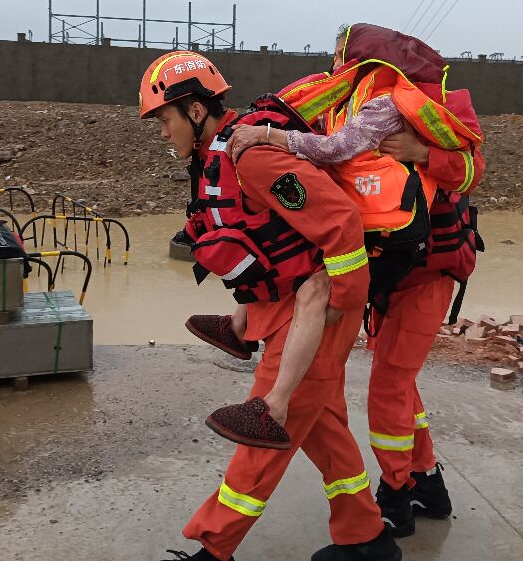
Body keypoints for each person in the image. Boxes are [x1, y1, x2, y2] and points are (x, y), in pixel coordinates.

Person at [224, 23, 487, 537]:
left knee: (388, 388)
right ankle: (427, 481)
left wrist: (421, 154)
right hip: (385, 265)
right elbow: (330, 154)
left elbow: (474, 169)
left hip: (425, 272)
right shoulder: (348, 104)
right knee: (401, 385)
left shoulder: (430, 109)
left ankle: (396, 498)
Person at [140, 50, 399, 561]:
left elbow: (341, 224)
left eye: (165, 119)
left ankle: (213, 548)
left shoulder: (254, 157)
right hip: (280, 311)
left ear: (194, 110)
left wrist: (337, 307)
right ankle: (367, 539)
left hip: (313, 316)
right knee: (324, 431)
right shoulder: (214, 157)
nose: (163, 132)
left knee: (264, 430)